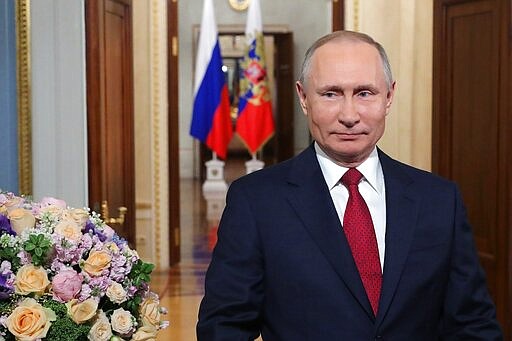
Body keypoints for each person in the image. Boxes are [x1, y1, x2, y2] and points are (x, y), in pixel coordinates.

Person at [197, 30, 502, 340]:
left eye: (364, 93)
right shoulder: (256, 201)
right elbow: (223, 328)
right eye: (331, 93)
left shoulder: (439, 201)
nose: (349, 115)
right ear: (304, 98)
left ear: (389, 97)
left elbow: (474, 324)